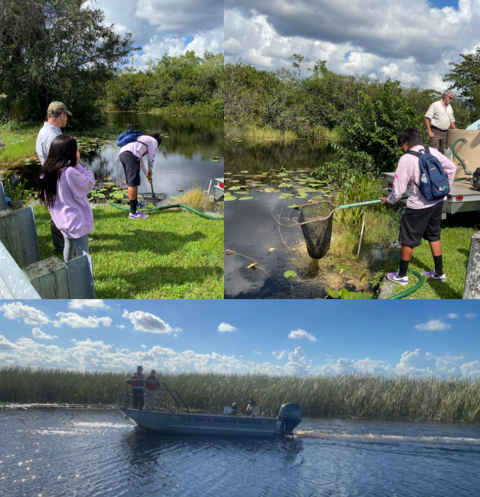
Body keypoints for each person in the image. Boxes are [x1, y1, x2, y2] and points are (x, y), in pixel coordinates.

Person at [380, 128, 456, 285]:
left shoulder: (406, 159)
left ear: (406, 142)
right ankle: (439, 273)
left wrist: (388, 200)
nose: (402, 148)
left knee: (408, 239)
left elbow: (399, 191)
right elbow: (452, 168)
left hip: (418, 206)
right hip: (437, 202)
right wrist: (442, 189)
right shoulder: (432, 151)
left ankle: (401, 276)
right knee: (434, 235)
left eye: (402, 145)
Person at [39, 135, 95, 263]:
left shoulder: (46, 171)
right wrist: (78, 165)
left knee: (68, 246)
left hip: (61, 220)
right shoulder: (69, 172)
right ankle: (84, 280)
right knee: (83, 253)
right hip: (76, 221)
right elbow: (89, 182)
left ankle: (68, 271)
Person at [36, 102, 72, 252]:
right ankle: (61, 246)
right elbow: (60, 162)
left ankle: (64, 242)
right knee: (59, 212)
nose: (66, 120)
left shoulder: (47, 131)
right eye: (66, 116)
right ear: (62, 115)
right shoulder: (51, 136)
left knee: (58, 210)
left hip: (52, 177)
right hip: (55, 179)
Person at [118, 133, 162, 219]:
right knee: (132, 183)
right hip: (130, 155)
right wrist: (150, 170)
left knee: (134, 181)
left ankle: (135, 203)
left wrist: (146, 174)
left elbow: (140, 161)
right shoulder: (153, 141)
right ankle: (133, 213)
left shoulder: (142, 141)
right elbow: (151, 158)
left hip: (123, 154)